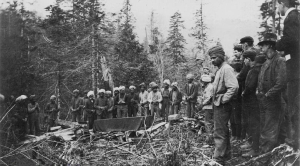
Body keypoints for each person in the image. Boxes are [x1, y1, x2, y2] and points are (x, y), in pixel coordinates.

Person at [207, 45, 239, 165]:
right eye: (211, 58)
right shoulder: (220, 69)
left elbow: (234, 87)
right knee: (222, 130)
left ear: (221, 56)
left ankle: (218, 157)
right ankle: (226, 154)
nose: (212, 60)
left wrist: (224, 100)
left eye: (214, 57)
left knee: (219, 131)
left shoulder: (226, 69)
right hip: (218, 104)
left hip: (223, 105)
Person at [257, 33, 287, 153]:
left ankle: (264, 158)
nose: (261, 48)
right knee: (266, 128)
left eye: (263, 45)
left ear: (269, 45)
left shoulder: (280, 61)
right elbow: (260, 80)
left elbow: (281, 83)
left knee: (269, 131)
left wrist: (268, 95)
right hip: (264, 101)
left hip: (275, 102)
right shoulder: (266, 63)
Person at [276, 0, 300, 149]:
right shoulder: (296, 17)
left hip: (296, 70)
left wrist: (279, 44)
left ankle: (296, 141)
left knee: (294, 105)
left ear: (282, 3)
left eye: (278, 5)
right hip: (296, 68)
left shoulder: (291, 18)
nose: (278, 8)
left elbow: (292, 39)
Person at [241, 51, 266, 157]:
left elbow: (250, 86)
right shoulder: (253, 69)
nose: (243, 61)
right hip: (252, 101)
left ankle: (255, 149)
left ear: (248, 59)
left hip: (253, 102)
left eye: (244, 59)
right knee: (252, 124)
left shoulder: (255, 70)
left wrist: (244, 92)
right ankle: (253, 145)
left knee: (255, 124)